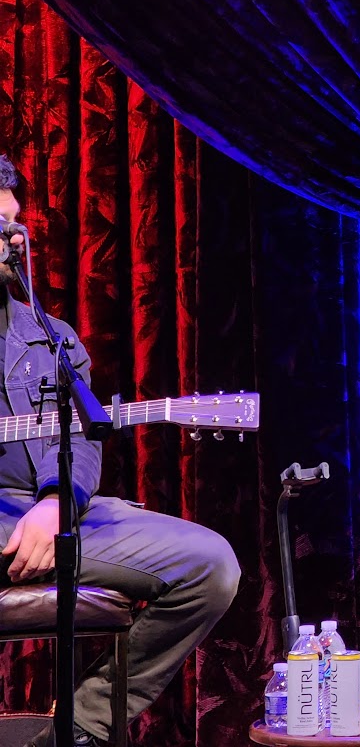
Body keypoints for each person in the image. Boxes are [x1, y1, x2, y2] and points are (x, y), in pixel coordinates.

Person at [0, 156, 240, 747]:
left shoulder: (49, 339)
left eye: (14, 225)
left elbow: (79, 440)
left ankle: (78, 727)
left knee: (210, 565)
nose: (12, 240)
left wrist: (57, 501)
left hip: (47, 512)